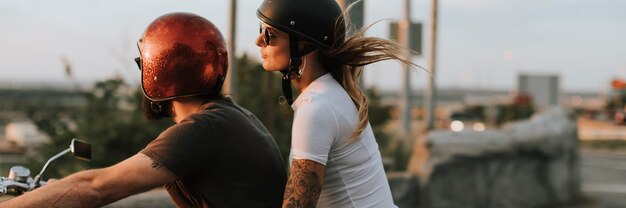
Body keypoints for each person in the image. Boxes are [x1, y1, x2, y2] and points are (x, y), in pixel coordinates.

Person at [2, 12, 287, 208]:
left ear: (157, 71)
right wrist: (54, 190)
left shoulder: (203, 130)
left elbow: (97, 186)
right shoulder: (232, 116)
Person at [255, 0, 419, 207]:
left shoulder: (317, 107)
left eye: (271, 35)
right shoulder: (331, 94)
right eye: (262, 30)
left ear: (304, 43)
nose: (259, 40)